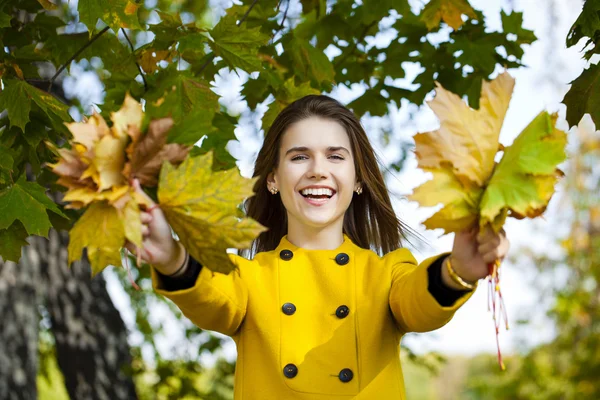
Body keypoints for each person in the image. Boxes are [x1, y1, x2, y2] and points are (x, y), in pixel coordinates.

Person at [126, 95, 510, 399]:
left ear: (358, 179)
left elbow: (419, 304)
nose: (317, 169)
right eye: (299, 156)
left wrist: (457, 269)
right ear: (273, 179)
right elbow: (210, 294)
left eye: (335, 156)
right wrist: (172, 256)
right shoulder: (247, 278)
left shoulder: (387, 273)